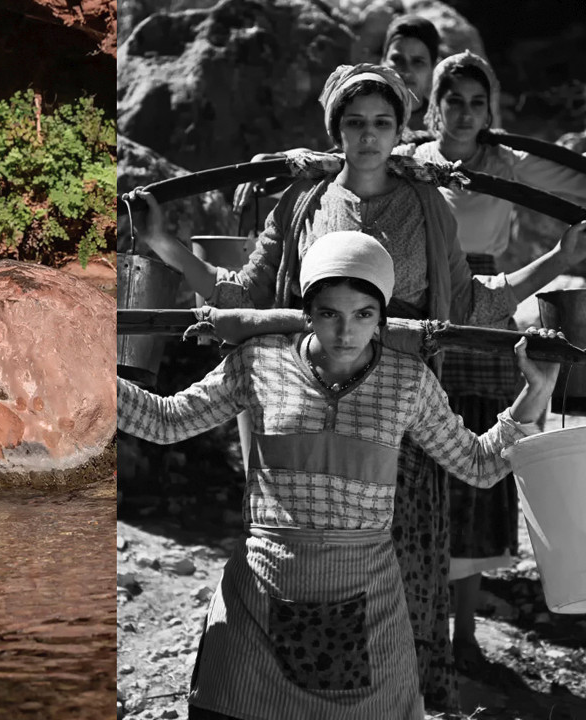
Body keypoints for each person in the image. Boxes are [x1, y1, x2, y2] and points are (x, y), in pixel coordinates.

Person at [136, 63, 586, 709]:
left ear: (402, 131)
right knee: (293, 551)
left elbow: (469, 301)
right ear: (335, 129)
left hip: (395, 401)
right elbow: (244, 294)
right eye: (355, 123)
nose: (368, 137)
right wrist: (164, 245)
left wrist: (559, 261)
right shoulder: (304, 200)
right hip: (306, 391)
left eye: (382, 124)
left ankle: (407, 688)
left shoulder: (427, 203)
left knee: (396, 571)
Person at [118, 231, 561, 719]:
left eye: (364, 315)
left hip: (367, 602)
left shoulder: (407, 380)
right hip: (260, 595)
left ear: (382, 317)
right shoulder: (259, 361)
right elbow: (165, 421)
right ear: (307, 311)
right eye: (330, 313)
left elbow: (478, 464)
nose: (346, 333)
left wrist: (535, 392)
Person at [399, 50, 586, 671]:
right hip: (425, 305)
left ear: (490, 110)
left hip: (489, 308)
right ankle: (412, 630)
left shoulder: (506, 163)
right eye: (454, 101)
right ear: (436, 105)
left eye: (478, 103)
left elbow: (575, 184)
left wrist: (567, 249)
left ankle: (466, 637)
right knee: (419, 467)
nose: (466, 113)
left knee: (481, 468)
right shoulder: (412, 161)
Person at [380, 14, 441, 138]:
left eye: (418, 62)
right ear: (383, 62)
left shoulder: (443, 128)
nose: (406, 70)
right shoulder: (359, 118)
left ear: (433, 68)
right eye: (397, 59)